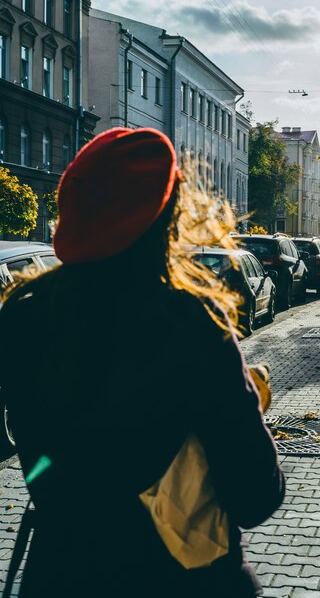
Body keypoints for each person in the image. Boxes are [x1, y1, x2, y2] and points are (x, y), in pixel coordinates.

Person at [0, 128, 285, 598]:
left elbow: (44, 470)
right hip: (182, 580)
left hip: (63, 575)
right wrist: (247, 401)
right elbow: (255, 495)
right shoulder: (187, 320)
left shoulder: (25, 313)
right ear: (166, 217)